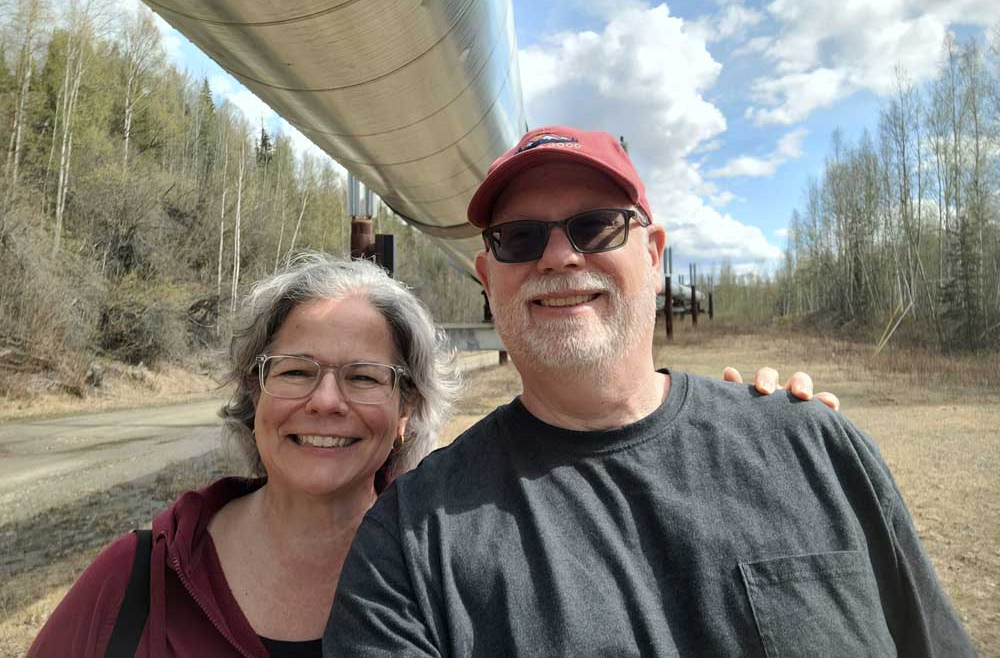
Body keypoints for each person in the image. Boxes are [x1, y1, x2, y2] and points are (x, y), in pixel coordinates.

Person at [325, 126, 974, 656]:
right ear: (487, 278)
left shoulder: (819, 448)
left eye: (597, 226)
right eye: (520, 237)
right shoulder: (411, 545)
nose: (559, 257)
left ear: (655, 256)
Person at [29, 255, 459, 657]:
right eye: (295, 371)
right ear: (254, 393)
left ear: (406, 408)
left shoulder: (450, 581)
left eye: (363, 377)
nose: (325, 401)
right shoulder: (135, 580)